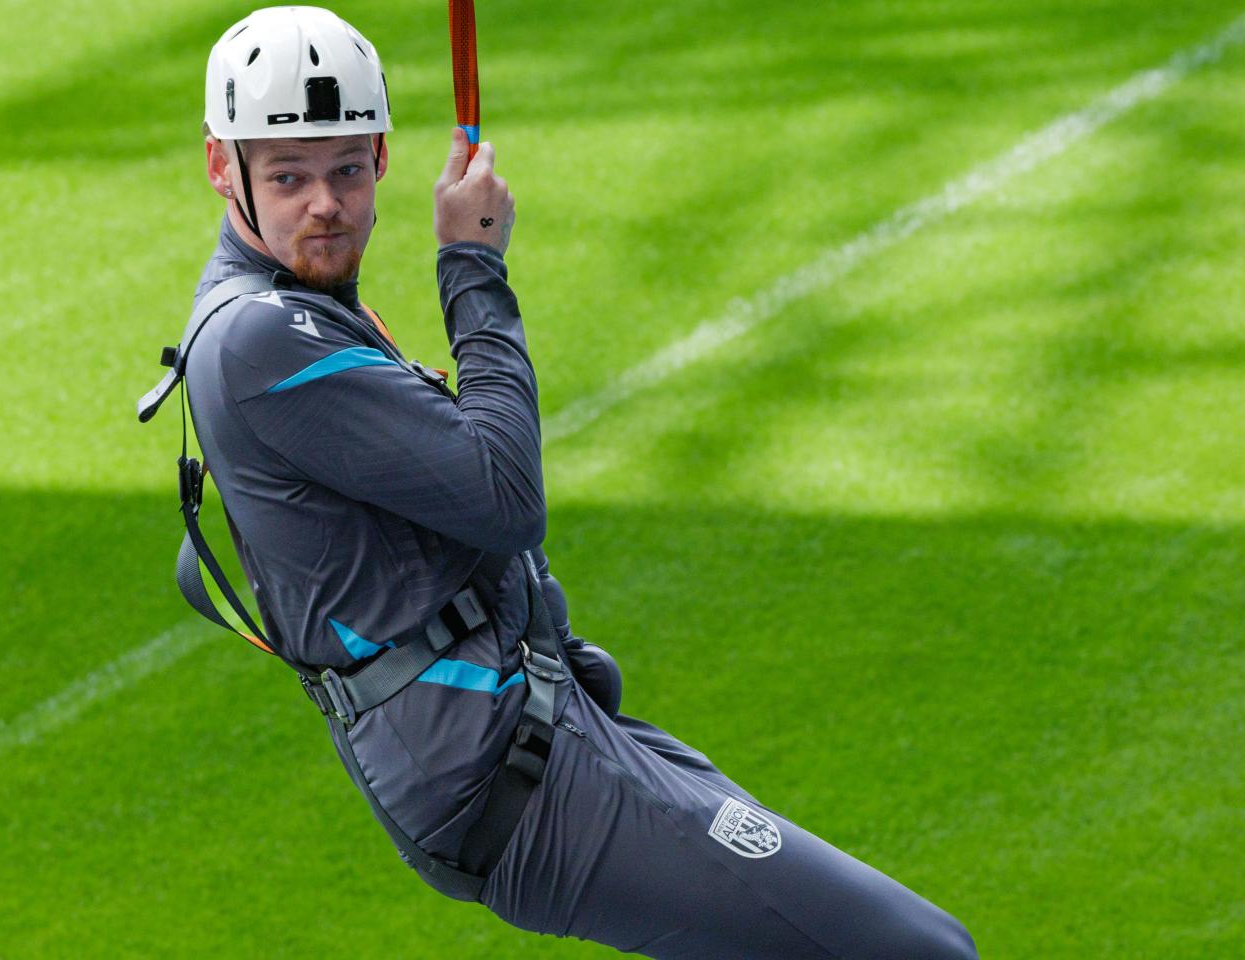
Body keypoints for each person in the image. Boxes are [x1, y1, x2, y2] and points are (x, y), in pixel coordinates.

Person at [150, 7, 980, 958]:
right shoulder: (264, 337)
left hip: (539, 732)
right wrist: (472, 264)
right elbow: (504, 494)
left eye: (345, 169)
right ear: (224, 169)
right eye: (287, 178)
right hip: (508, 771)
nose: (325, 204)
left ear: (381, 158)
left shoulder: (296, 309)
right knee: (919, 951)